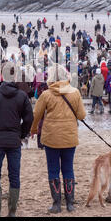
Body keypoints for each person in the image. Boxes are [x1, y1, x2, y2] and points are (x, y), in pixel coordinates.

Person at [30, 64, 86, 213]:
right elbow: (81, 115)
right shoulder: (75, 92)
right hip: (69, 136)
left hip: (51, 137)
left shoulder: (46, 94)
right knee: (68, 168)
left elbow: (36, 115)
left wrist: (33, 129)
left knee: (53, 169)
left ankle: (56, 204)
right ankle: (70, 204)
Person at [0, 67, 33, 217]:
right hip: (14, 140)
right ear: (15, 76)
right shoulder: (22, 96)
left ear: (2, 76)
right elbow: (29, 118)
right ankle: (12, 212)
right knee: (14, 175)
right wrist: (22, 133)